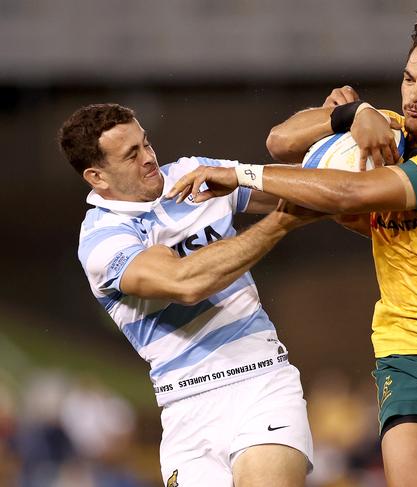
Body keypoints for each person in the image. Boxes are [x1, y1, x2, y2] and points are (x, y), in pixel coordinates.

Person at [166, 2, 417, 486]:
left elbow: (352, 191)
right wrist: (352, 111)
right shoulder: (393, 127)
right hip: (406, 355)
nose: (414, 97)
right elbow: (281, 139)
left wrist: (239, 173)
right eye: (409, 80)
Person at [57, 103, 316, 487]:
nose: (149, 158)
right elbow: (185, 284)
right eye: (132, 155)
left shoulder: (191, 174)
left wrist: (345, 124)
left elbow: (305, 188)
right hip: (184, 410)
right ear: (97, 176)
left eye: (146, 144)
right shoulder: (101, 240)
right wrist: (279, 224)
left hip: (261, 381)